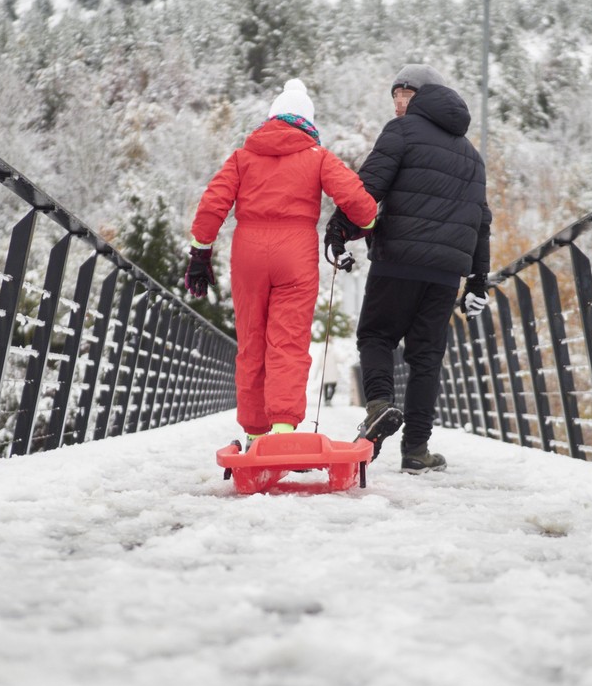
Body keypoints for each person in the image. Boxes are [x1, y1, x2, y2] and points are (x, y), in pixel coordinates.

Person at [184, 78, 377, 445]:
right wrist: (365, 225)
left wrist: (201, 252)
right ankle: (284, 429)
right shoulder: (317, 156)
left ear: (271, 119)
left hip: (248, 253)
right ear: (308, 121)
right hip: (296, 253)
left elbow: (212, 204)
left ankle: (255, 435)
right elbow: (360, 202)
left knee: (252, 341)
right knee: (287, 341)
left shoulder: (242, 157)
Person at [324, 63, 492, 473]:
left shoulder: (400, 131)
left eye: (405, 94)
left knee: (376, 335)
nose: (398, 102)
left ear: (423, 97)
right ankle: (416, 450)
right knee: (426, 357)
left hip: (398, 260)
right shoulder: (472, 155)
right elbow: (481, 220)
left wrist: (337, 231)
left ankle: (380, 405)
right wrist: (477, 279)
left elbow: (369, 187)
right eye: (395, 95)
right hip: (445, 274)